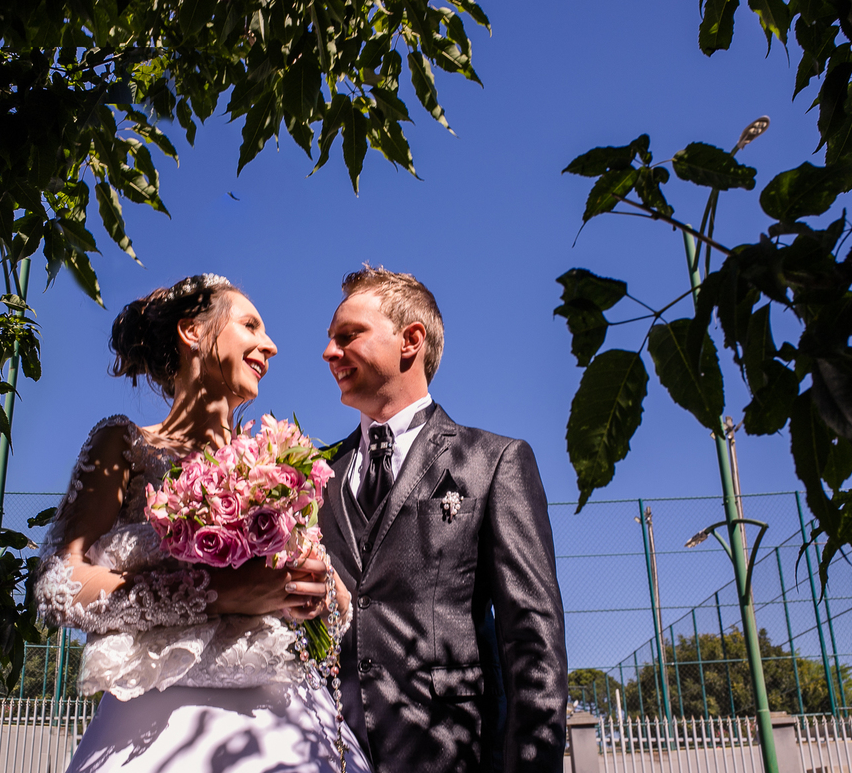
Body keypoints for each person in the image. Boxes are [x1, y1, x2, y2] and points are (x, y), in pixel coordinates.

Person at [34, 273, 371, 773]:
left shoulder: (279, 463)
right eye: (251, 325)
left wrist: (319, 592)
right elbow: (58, 584)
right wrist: (220, 593)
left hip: (286, 719)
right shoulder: (123, 445)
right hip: (157, 726)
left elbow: (336, 605)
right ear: (192, 331)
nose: (271, 346)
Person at [318, 265, 567, 773]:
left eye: (348, 336)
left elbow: (531, 639)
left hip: (453, 755)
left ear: (411, 340)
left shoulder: (494, 462)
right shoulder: (315, 476)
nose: (329, 352)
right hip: (329, 752)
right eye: (330, 339)